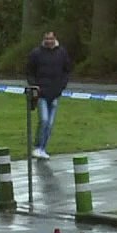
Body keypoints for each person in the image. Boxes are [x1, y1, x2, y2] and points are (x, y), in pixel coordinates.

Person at [25, 30, 73, 160]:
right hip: (41, 94)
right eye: (46, 39)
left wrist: (62, 86)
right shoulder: (36, 53)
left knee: (50, 124)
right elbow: (29, 71)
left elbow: (67, 70)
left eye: (51, 39)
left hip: (55, 93)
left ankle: (43, 148)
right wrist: (35, 86)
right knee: (44, 120)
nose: (49, 41)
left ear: (55, 39)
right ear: (43, 39)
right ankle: (37, 147)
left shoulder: (62, 53)